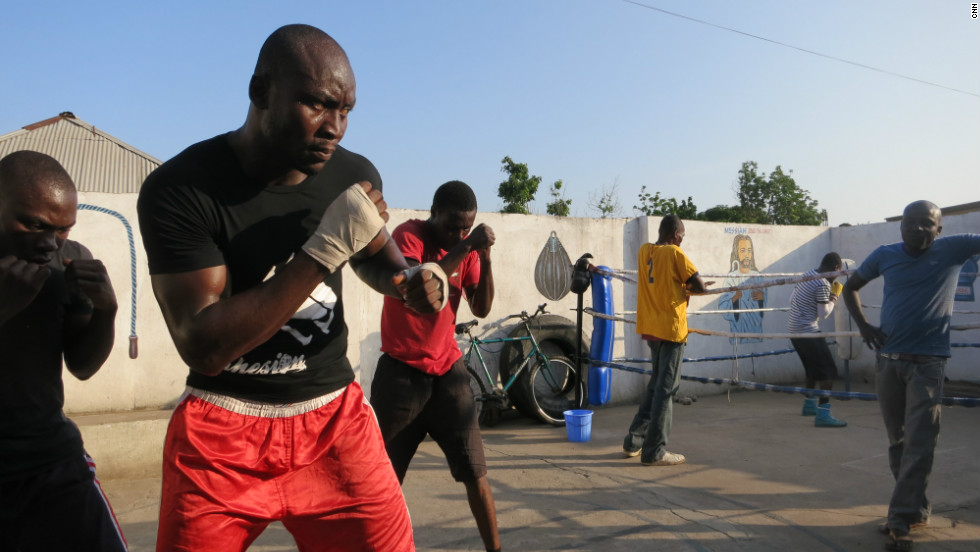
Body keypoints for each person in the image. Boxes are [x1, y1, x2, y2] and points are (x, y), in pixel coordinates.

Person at [137, 24, 446, 551]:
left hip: (333, 418)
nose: (336, 128)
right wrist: (323, 250)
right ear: (261, 92)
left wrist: (415, 283)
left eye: (346, 111)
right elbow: (203, 345)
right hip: (222, 427)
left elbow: (380, 263)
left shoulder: (352, 172)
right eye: (318, 106)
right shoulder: (181, 189)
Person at [0, 150, 127, 551]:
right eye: (34, 224)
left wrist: (106, 311)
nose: (48, 243)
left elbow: (83, 366)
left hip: (51, 463)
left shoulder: (69, 261)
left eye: (63, 229)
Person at [370, 180, 501, 552]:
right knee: (381, 481)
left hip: (448, 374)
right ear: (434, 213)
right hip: (400, 375)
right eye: (451, 225)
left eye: (466, 227)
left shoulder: (469, 251)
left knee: (476, 474)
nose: (458, 233)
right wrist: (467, 245)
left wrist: (486, 258)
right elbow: (420, 286)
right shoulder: (408, 236)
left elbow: (482, 307)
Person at [843, 200, 980, 552]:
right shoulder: (884, 254)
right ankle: (916, 509)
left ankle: (899, 519)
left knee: (920, 444)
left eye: (926, 223)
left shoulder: (955, 248)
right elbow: (850, 287)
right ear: (900, 225)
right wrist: (864, 327)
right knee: (899, 442)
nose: (917, 228)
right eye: (910, 222)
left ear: (939, 229)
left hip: (928, 364)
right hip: (888, 362)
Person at [623, 215, 710, 466]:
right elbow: (699, 285)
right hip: (671, 330)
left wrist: (683, 287)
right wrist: (691, 288)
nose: (681, 243)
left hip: (651, 327)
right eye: (681, 238)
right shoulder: (674, 253)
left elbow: (664, 281)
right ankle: (655, 450)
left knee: (655, 386)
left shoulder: (645, 251)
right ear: (675, 235)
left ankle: (634, 441)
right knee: (666, 389)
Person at [787, 252, 846, 427]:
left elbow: (791, 299)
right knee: (828, 371)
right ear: (836, 268)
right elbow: (823, 314)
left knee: (812, 370)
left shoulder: (808, 274)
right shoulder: (822, 283)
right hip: (808, 330)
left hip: (793, 330)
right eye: (839, 272)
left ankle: (809, 405)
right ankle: (823, 415)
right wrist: (834, 297)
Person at [718, 234, 766, 343]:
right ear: (737, 253)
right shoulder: (731, 278)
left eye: (749, 250)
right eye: (743, 250)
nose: (747, 255)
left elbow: (767, 302)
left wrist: (762, 298)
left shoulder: (758, 277)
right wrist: (734, 298)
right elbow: (722, 306)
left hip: (756, 333)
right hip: (738, 335)